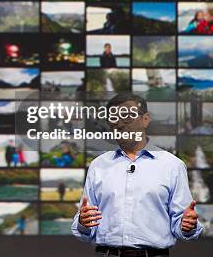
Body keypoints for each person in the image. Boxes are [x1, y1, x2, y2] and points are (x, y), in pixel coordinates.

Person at [72, 93, 203, 255]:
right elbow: (85, 229)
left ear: (145, 119)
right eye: (113, 118)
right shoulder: (98, 166)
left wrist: (187, 225)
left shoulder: (172, 165)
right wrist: (83, 223)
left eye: (127, 116)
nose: (119, 124)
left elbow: (182, 225)